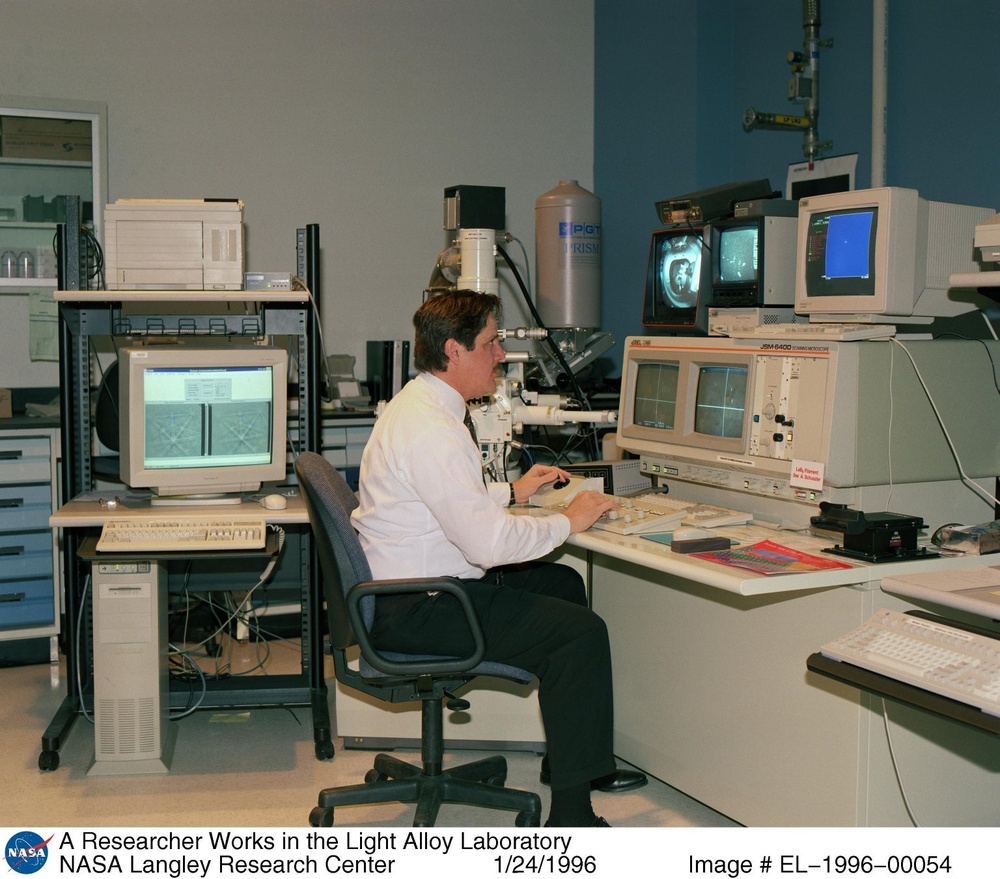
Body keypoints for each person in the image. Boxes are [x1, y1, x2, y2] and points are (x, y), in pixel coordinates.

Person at [351, 289, 646, 828]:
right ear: (453, 350)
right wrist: (570, 521)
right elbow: (485, 547)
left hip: (414, 589)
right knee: (581, 633)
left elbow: (439, 502)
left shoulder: (421, 404)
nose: (501, 356)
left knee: (560, 586)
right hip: (422, 606)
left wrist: (512, 493)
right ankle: (573, 817)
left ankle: (572, 764)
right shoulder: (432, 430)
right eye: (490, 344)